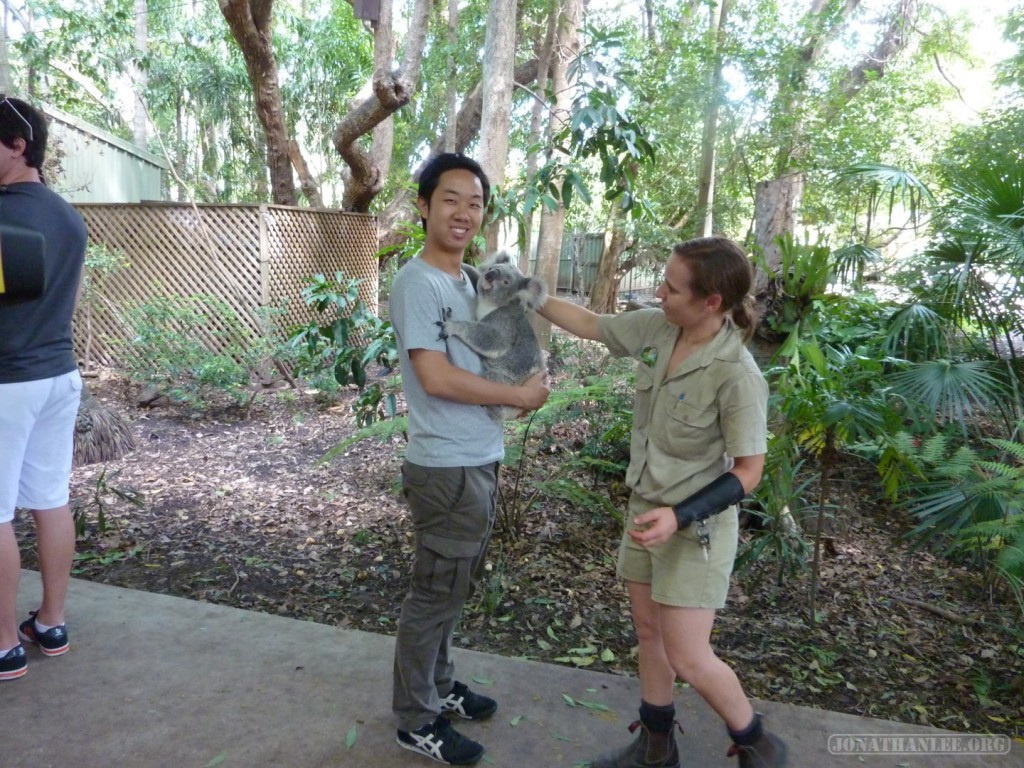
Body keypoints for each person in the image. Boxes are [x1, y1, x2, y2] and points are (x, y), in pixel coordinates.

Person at [537, 237, 786, 768]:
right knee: (649, 633)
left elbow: (749, 472)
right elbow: (592, 324)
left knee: (690, 657)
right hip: (646, 512)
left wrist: (679, 516)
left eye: (671, 287)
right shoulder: (659, 327)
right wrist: (524, 291)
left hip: (694, 528)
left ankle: (759, 745)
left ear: (711, 302)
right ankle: (656, 746)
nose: (658, 292)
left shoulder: (737, 375)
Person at [390, 153, 550, 765]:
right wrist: (515, 395)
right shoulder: (418, 283)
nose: (463, 212)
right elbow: (434, 376)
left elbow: (501, 342)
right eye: (450, 199)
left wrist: (527, 376)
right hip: (447, 466)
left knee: (452, 588)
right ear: (425, 206)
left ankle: (440, 683)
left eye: (475, 202)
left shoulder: (468, 280)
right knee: (433, 593)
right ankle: (415, 719)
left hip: (477, 456)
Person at [0, 96, 87, 682]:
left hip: (8, 382)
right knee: (49, 498)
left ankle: (4, 643)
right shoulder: (67, 216)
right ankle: (49, 622)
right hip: (59, 375)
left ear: (17, 145)